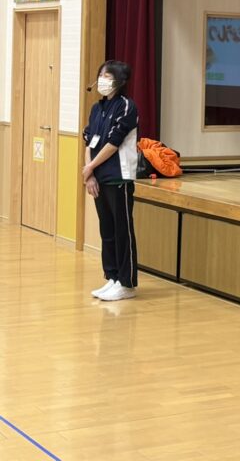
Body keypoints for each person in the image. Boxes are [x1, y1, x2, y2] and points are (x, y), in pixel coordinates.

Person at [82, 60, 140, 302]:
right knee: (106, 229)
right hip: (98, 177)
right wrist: (90, 174)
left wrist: (89, 168)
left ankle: (127, 283)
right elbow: (89, 140)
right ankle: (113, 277)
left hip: (119, 176)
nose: (102, 80)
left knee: (122, 230)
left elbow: (114, 142)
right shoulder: (97, 108)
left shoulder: (126, 106)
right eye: (100, 75)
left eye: (107, 76)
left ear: (119, 80)